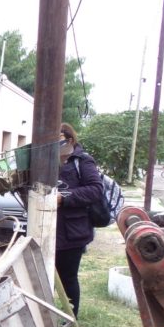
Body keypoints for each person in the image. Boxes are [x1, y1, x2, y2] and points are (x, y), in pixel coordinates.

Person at [56, 122, 103, 317]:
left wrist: (64, 198)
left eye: (58, 139)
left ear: (70, 140)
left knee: (68, 277)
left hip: (73, 231)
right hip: (49, 227)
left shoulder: (82, 160)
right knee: (46, 275)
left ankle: (70, 319)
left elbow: (95, 189)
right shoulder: (48, 159)